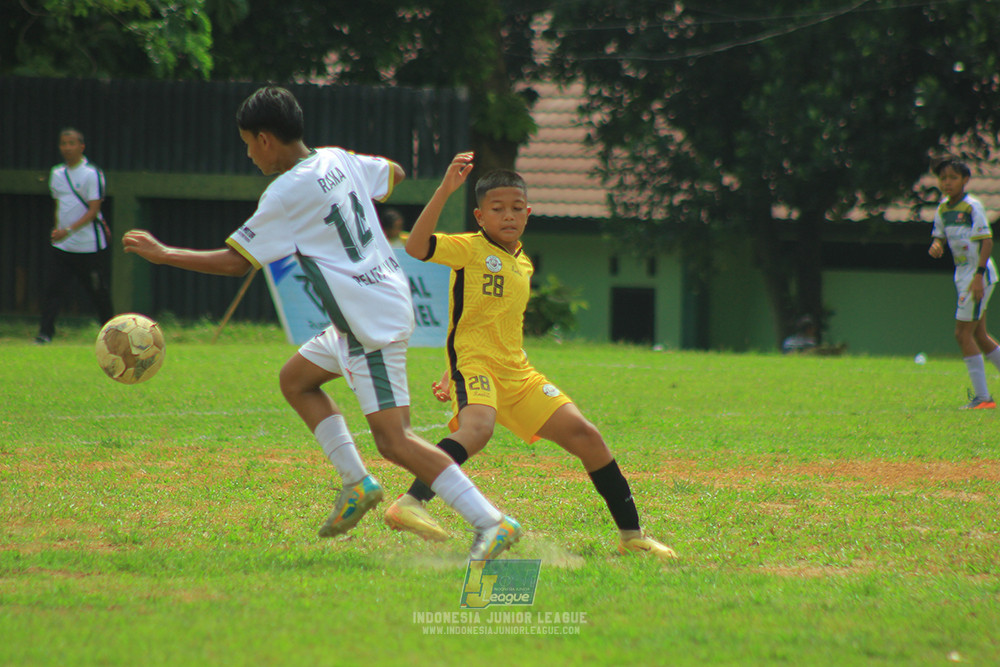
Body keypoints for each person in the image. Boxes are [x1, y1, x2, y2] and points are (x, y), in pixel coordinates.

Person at [122, 86, 520, 560]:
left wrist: (163, 254)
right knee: (296, 380)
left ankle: (490, 521)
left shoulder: (285, 192)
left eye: (249, 142)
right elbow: (393, 173)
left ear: (266, 139)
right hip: (371, 306)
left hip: (367, 323)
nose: (249, 154)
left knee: (395, 440)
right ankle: (358, 484)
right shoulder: (335, 158)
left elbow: (235, 262)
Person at [383, 152, 677, 561]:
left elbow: (484, 319)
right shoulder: (468, 248)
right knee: (478, 429)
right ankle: (410, 503)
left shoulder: (523, 263)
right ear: (480, 215)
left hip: (517, 373)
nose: (508, 216)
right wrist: (443, 190)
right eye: (497, 209)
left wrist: (447, 371)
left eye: (517, 209)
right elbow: (415, 247)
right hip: (478, 367)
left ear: (528, 214)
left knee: (587, 437)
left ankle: (632, 537)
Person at [928, 158, 1000, 410]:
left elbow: (987, 241)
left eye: (953, 177)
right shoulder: (943, 209)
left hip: (976, 275)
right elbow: (939, 236)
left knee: (962, 334)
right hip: (963, 275)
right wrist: (936, 245)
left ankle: (983, 398)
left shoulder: (972, 207)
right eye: (943, 178)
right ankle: (983, 398)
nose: (947, 182)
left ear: (965, 180)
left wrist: (979, 276)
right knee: (979, 335)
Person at [36, 128, 114, 343]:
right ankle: (45, 334)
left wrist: (68, 230)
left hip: (89, 247)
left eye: (72, 143)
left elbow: (93, 210)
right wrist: (58, 230)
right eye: (63, 143)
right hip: (62, 247)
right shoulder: (56, 173)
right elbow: (61, 205)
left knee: (99, 293)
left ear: (81, 146)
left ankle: (112, 336)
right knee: (53, 291)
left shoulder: (91, 174)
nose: (67, 147)